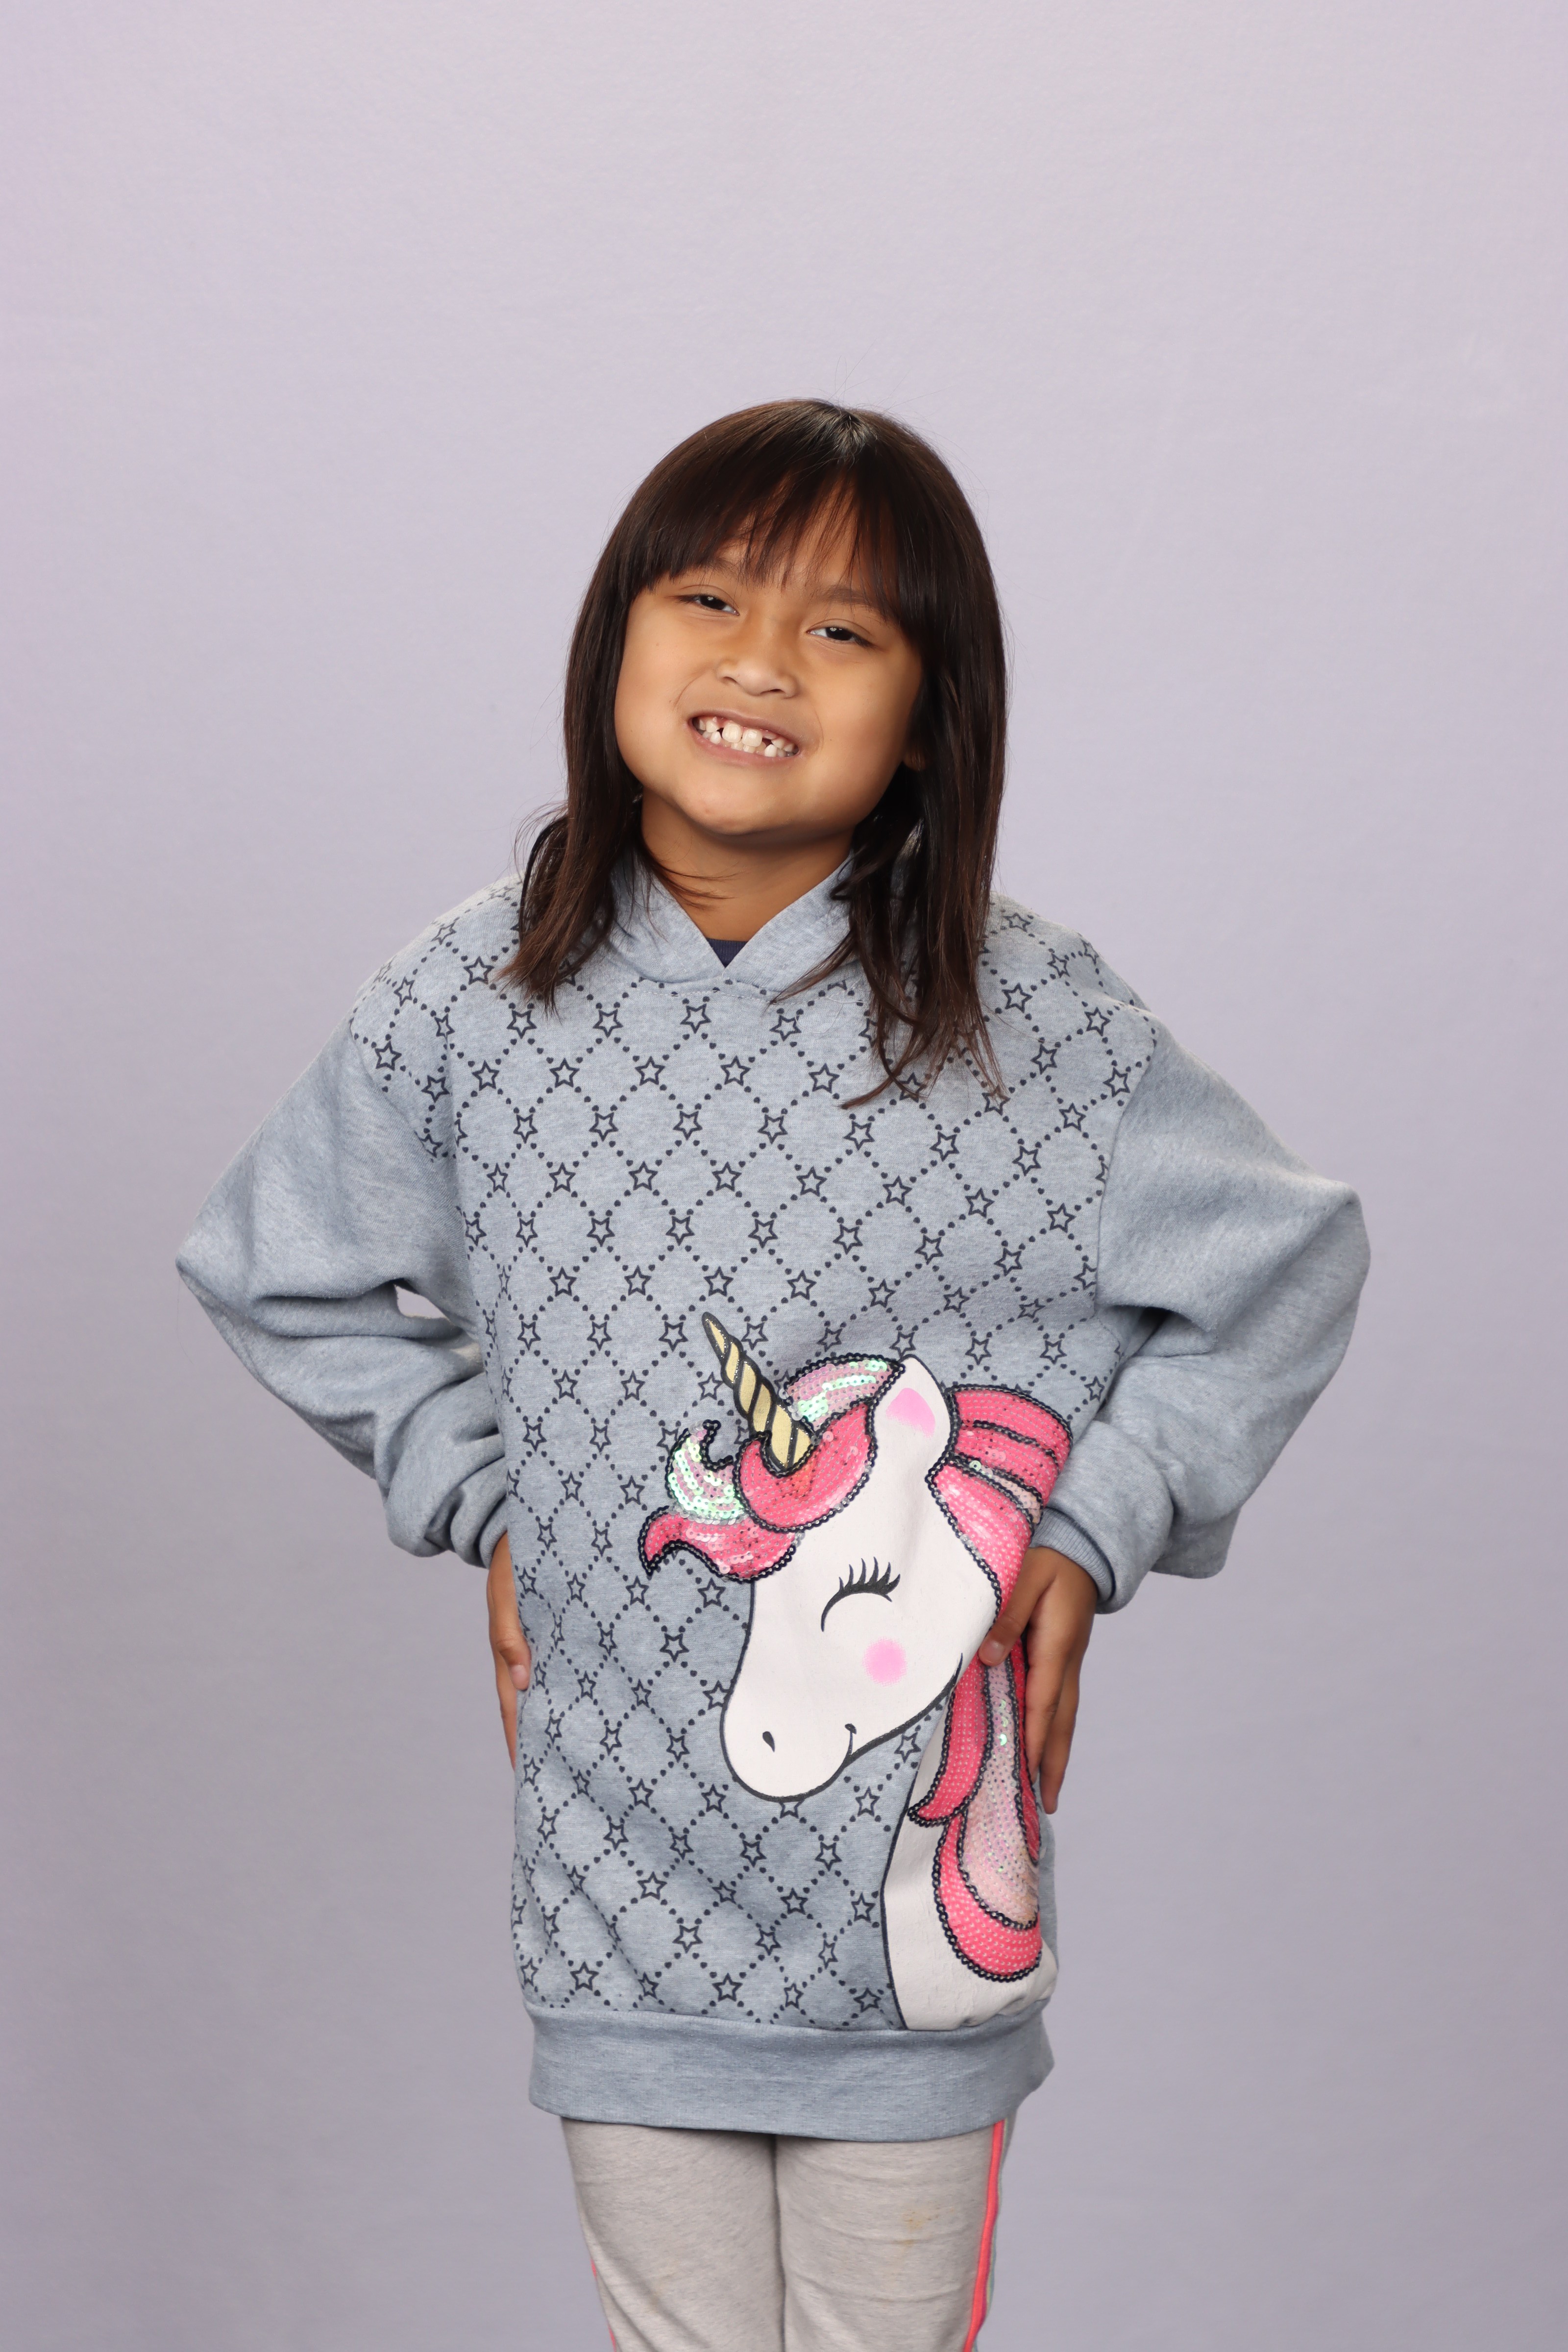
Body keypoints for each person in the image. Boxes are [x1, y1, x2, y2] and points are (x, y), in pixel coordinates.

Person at [178, 400, 1369, 2351]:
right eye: (710, 598)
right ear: (616, 641)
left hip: (908, 1920)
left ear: (930, 717)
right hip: (614, 1889)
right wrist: (488, 1493)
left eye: (841, 629)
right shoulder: (469, 1002)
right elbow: (272, 1268)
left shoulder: (1036, 1022)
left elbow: (1283, 1264)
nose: (758, 661)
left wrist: (1089, 1524)